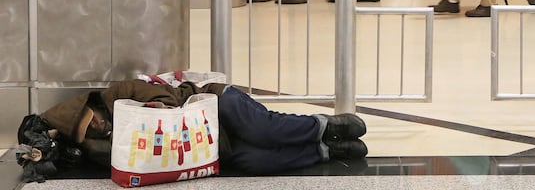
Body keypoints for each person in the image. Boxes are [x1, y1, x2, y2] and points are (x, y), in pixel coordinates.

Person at [16, 79, 367, 181]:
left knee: (262, 130)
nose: (98, 126)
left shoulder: (118, 94)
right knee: (252, 161)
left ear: (90, 107)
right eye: (88, 130)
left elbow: (162, 96)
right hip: (207, 144)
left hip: (212, 105)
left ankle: (325, 127)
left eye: (91, 119)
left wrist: (158, 109)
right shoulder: (100, 150)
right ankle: (326, 151)